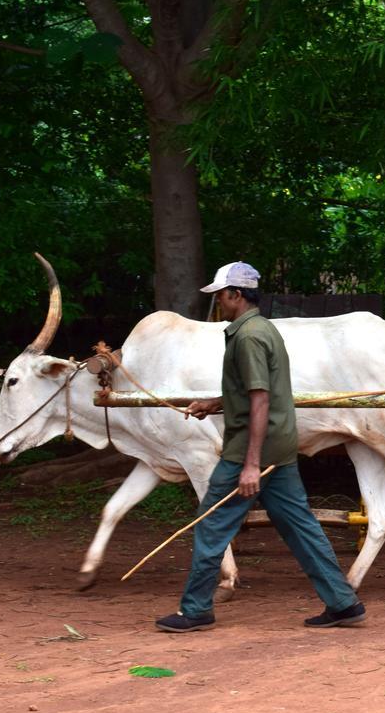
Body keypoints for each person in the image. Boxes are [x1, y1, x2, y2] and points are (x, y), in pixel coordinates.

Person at [154, 261, 366, 633]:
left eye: (221, 294)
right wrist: (216, 402)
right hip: (280, 446)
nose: (218, 300)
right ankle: (343, 602)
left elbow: (260, 400)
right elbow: (251, 390)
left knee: (211, 525)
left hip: (249, 452)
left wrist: (250, 464)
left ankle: (196, 609)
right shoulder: (261, 329)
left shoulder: (248, 337)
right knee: (301, 527)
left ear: (236, 294)